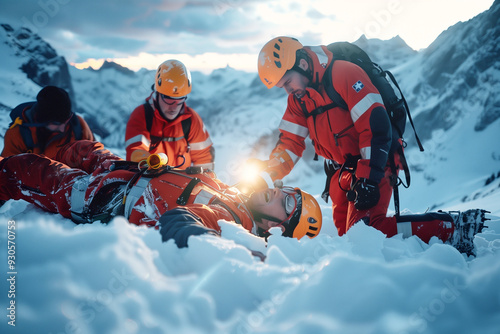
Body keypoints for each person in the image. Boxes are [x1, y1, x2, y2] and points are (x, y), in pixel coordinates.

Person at [255, 36, 487, 255]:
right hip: (344, 171)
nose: (287, 90)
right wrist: (270, 174)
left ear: (303, 64)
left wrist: (368, 178)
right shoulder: (299, 99)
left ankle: (454, 228)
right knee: (349, 237)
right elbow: (290, 143)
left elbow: (375, 127)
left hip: (378, 159)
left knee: (365, 231)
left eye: (287, 82)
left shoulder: (344, 74)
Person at [0, 140, 322, 248]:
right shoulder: (236, 198)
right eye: (287, 190)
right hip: (131, 172)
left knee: (24, 168)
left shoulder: (232, 221)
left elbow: (191, 221)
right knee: (85, 148)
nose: (279, 193)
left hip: (104, 198)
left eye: (288, 202)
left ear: (277, 229)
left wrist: (191, 232)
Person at [125, 59, 215, 170]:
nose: (174, 106)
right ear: (158, 93)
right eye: (168, 99)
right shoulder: (142, 115)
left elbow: (204, 158)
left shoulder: (191, 120)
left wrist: (204, 183)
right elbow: (136, 153)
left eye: (180, 99)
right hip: (148, 182)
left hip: (182, 185)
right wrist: (153, 164)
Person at [1, 86, 94, 159]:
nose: (62, 128)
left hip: (77, 182)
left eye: (66, 121)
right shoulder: (17, 134)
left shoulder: (78, 125)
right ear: (41, 120)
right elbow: (7, 174)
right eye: (57, 123)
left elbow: (93, 155)